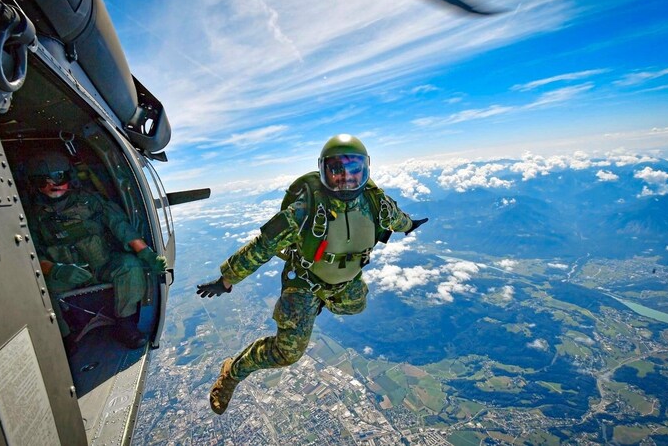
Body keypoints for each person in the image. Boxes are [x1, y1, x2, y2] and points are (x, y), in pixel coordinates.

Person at [197, 134, 428, 414]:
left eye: (354, 170)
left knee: (356, 304)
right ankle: (232, 372)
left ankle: (325, 300)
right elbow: (262, 247)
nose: (346, 178)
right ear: (323, 171)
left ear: (366, 170)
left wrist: (409, 225)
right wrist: (227, 279)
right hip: (304, 282)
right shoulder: (304, 211)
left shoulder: (375, 203)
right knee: (287, 353)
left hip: (345, 281)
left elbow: (397, 218)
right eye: (337, 169)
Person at [26, 150, 167, 350]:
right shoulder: (32, 215)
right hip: (64, 275)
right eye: (43, 181)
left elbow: (121, 226)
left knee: (129, 266)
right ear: (34, 185)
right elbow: (29, 253)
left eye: (58, 177)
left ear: (69, 177)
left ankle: (125, 324)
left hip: (102, 266)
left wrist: (146, 253)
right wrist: (55, 270)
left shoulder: (91, 201)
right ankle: (63, 337)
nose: (52, 185)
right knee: (38, 288)